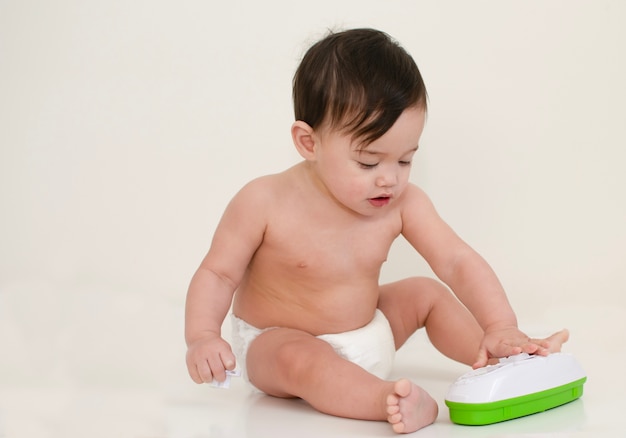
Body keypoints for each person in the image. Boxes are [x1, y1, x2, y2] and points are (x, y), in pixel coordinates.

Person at [184, 28, 569, 434]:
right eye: (368, 163)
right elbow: (218, 273)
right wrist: (203, 336)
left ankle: (504, 353)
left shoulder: (406, 204)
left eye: (404, 160)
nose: (389, 179)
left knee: (425, 293)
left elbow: (457, 261)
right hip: (276, 343)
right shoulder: (264, 201)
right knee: (300, 358)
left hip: (370, 331)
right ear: (308, 142)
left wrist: (499, 323)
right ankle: (385, 399)